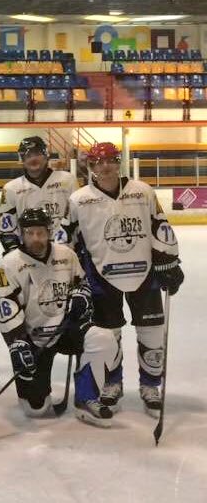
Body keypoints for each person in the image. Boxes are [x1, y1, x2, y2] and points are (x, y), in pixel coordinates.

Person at [62, 142, 183, 418]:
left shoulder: (142, 191)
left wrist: (170, 261)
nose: (105, 167)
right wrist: (65, 275)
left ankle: (151, 386)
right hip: (102, 277)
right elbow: (66, 238)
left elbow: (160, 225)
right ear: (90, 167)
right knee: (108, 336)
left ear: (119, 163)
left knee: (152, 332)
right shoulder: (78, 199)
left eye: (110, 161)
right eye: (98, 162)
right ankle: (112, 383)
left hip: (144, 274)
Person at [0, 208, 121, 426]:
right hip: (33, 340)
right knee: (36, 410)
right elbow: (7, 307)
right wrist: (18, 343)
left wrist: (81, 297)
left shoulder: (66, 255)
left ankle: (86, 398)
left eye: (41, 232)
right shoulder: (9, 264)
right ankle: (36, 393)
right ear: (22, 234)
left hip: (66, 330)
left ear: (49, 231)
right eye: (30, 233)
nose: (36, 238)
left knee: (103, 338)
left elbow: (81, 285)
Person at [0, 137, 77, 252]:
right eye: (28, 156)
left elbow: (77, 219)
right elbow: (6, 229)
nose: (33, 159)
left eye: (37, 154)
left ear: (46, 156)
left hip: (65, 252)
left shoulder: (68, 180)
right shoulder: (11, 188)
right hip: (29, 255)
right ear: (22, 160)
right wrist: (15, 254)